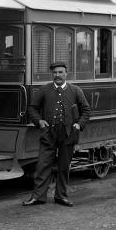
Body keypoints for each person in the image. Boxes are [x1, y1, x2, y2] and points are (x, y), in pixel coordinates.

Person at [23, 61, 91, 208]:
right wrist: (39, 121)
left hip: (68, 135)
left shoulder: (75, 90)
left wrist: (79, 125)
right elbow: (32, 108)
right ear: (51, 74)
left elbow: (86, 110)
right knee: (42, 166)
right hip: (49, 134)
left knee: (64, 167)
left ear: (66, 73)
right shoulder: (44, 90)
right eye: (55, 73)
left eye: (60, 72)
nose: (57, 75)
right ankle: (38, 197)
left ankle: (61, 196)